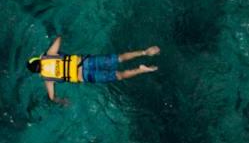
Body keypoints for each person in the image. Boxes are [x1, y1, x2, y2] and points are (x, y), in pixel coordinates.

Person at [28, 37, 160, 104]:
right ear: (38, 60)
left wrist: (62, 101)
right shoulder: (49, 55)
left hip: (85, 76)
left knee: (119, 75)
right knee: (119, 58)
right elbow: (59, 39)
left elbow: (52, 98)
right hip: (86, 61)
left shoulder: (47, 79)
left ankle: (141, 70)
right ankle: (144, 52)